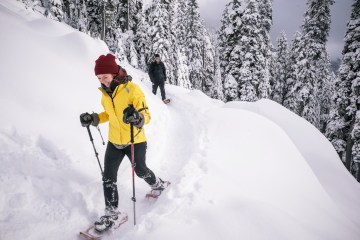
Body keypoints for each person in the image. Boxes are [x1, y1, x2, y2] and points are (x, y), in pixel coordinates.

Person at [80, 53, 167, 232]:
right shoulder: (105, 94)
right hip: (114, 141)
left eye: (104, 76)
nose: (102, 81)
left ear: (114, 73)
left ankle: (157, 184)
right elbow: (108, 115)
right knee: (108, 177)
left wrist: (137, 117)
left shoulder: (132, 89)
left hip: (135, 140)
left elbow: (146, 115)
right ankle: (112, 213)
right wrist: (94, 118)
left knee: (140, 169)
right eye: (99, 78)